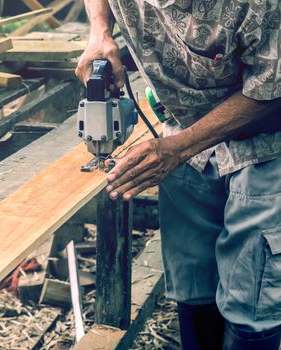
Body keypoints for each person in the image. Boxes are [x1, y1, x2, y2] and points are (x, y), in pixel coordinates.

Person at [75, 1, 281, 349]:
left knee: (253, 297)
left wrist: (179, 149)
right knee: (193, 280)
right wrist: (100, 31)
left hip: (263, 144)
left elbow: (271, 89)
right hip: (181, 133)